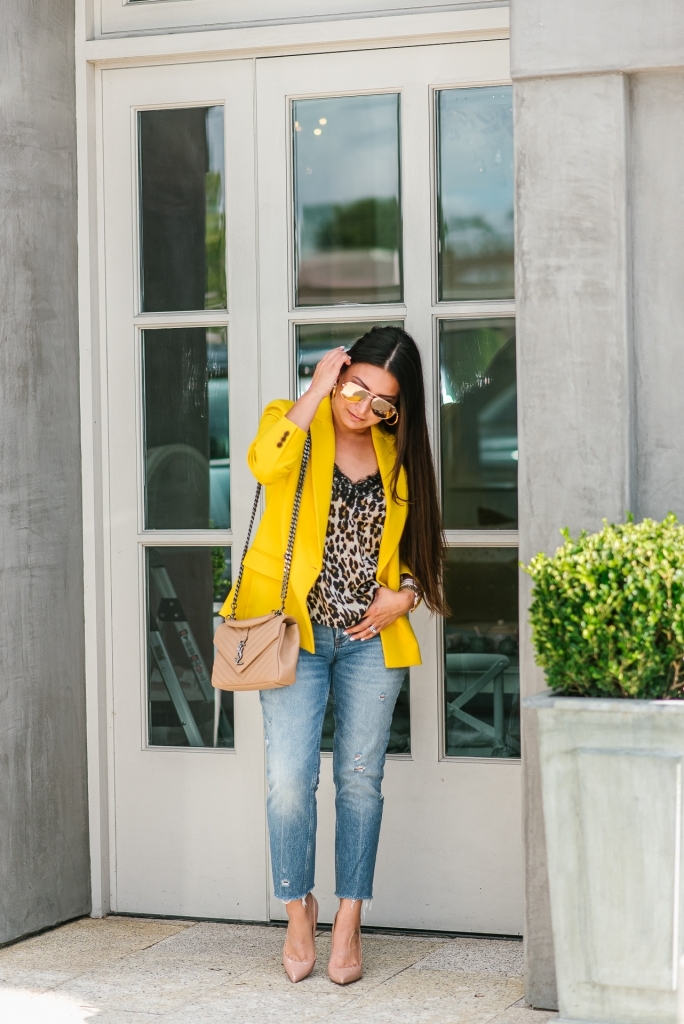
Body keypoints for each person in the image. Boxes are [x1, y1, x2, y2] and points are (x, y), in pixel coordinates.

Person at [220, 326, 446, 984]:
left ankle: (347, 920)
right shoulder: (295, 422)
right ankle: (298, 908)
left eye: (383, 402)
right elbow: (264, 463)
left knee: (360, 782)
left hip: (370, 644)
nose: (363, 408)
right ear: (339, 373)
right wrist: (316, 388)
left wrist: (404, 597)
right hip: (295, 637)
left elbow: (421, 550)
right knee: (289, 781)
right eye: (357, 387)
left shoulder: (398, 454)